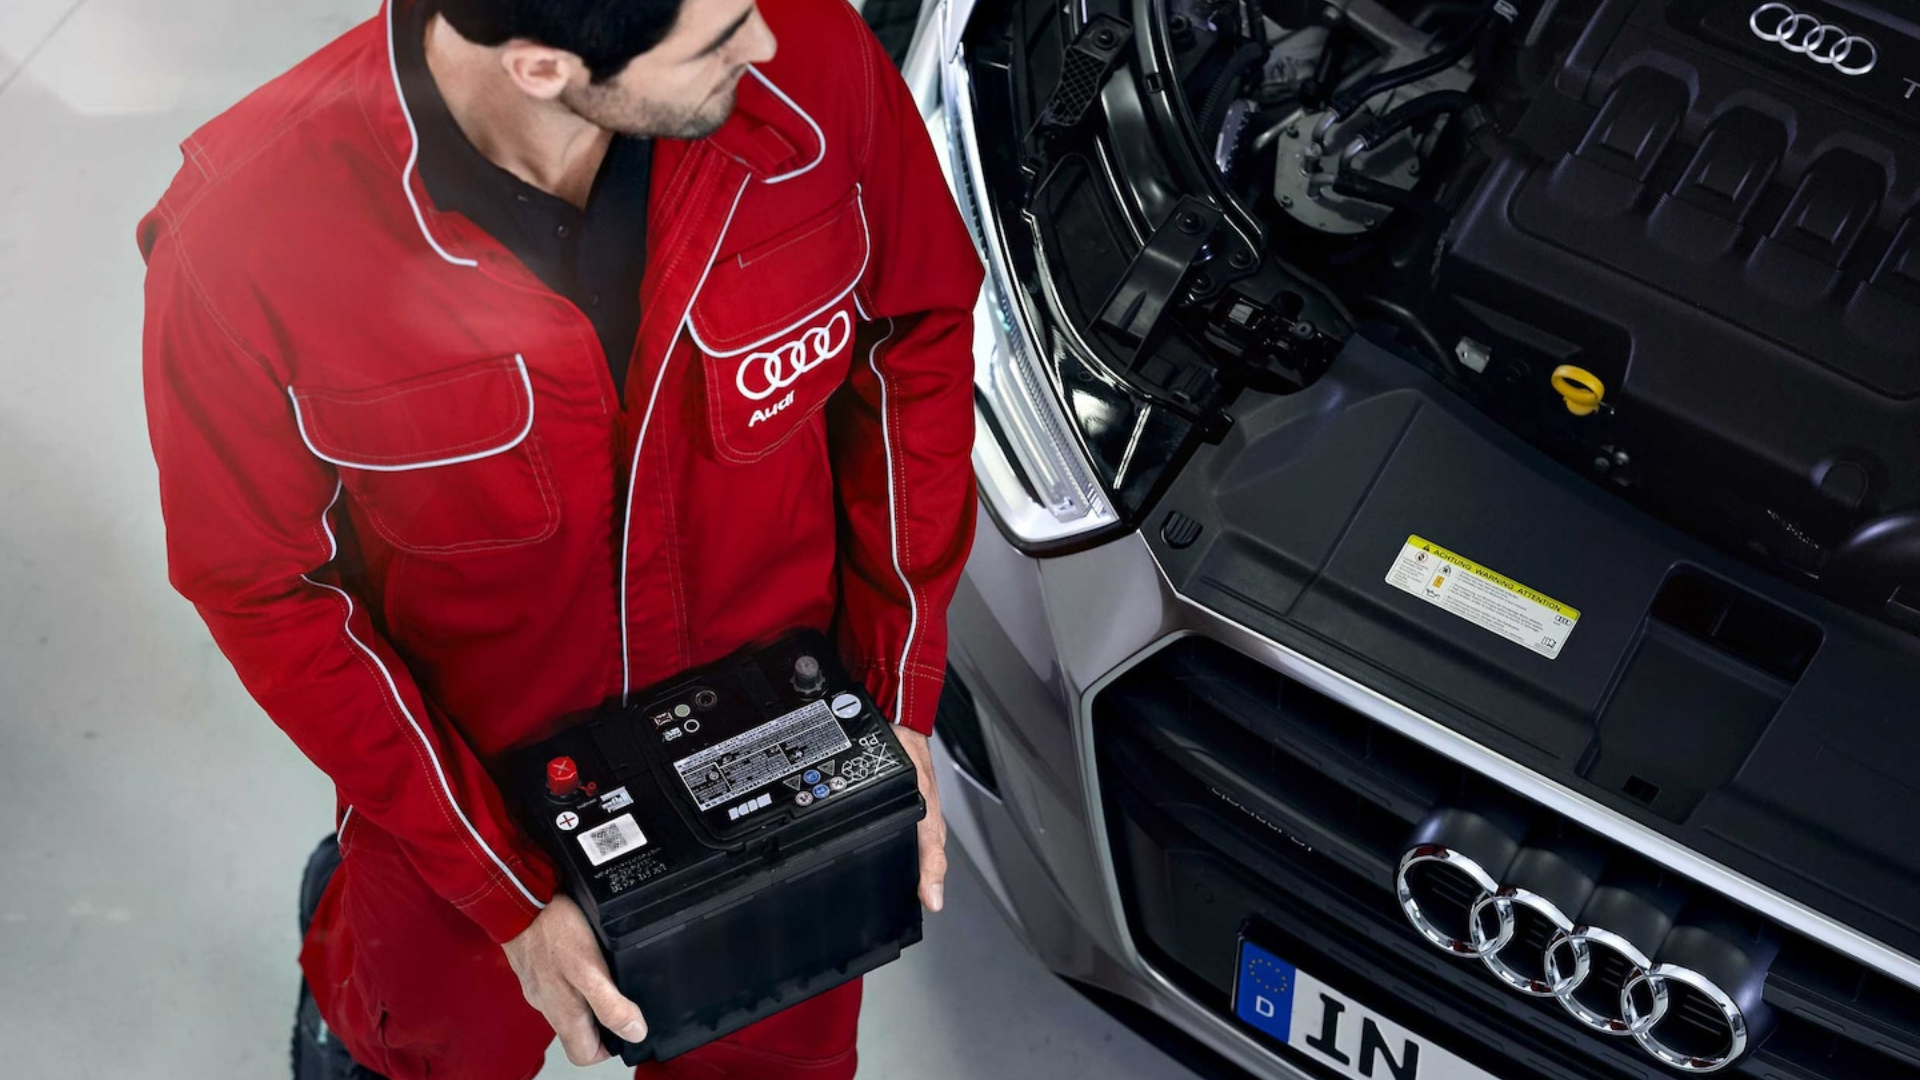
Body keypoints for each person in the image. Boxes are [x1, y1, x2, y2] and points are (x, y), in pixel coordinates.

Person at [136, 0, 984, 1076]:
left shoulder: (812, 56)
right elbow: (261, 584)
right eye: (718, 41)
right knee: (427, 1042)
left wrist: (894, 695)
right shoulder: (247, 239)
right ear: (541, 65)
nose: (766, 46)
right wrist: (500, 885)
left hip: (775, 737)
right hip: (469, 793)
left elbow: (914, 334)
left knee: (773, 1056)